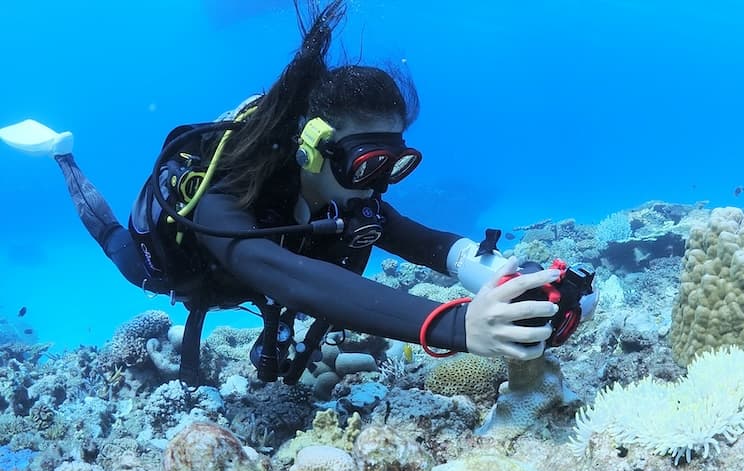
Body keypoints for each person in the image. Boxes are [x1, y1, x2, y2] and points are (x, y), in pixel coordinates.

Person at [0, 0, 593, 385]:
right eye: (366, 162)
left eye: (395, 162)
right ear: (311, 148)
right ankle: (63, 157)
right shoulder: (229, 190)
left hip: (271, 261)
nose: (377, 185)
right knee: (119, 249)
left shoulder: (347, 193)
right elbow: (278, 271)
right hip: (174, 262)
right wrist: (457, 327)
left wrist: (502, 276)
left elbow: (423, 241)